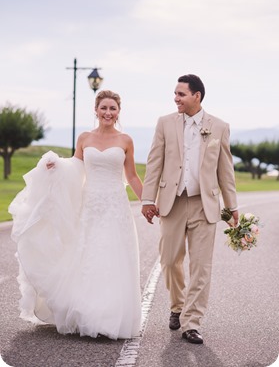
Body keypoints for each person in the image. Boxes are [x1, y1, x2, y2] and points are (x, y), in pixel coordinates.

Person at [9, 90, 143, 340]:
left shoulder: (126, 140)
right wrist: (56, 166)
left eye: (113, 108)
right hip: (90, 205)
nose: (108, 113)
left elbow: (132, 176)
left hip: (115, 206)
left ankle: (112, 317)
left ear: (118, 112)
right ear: (96, 110)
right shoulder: (84, 138)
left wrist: (147, 201)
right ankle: (88, 315)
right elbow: (76, 166)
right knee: (89, 256)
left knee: (114, 257)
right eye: (103, 108)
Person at [141, 74, 238, 344]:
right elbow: (154, 162)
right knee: (170, 260)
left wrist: (232, 208)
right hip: (171, 202)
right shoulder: (165, 124)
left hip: (204, 205)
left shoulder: (219, 126)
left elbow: (225, 171)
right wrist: (149, 199)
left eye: (181, 94)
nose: (176, 98)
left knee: (201, 266)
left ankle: (191, 322)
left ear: (197, 96)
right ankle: (177, 306)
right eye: (175, 94)